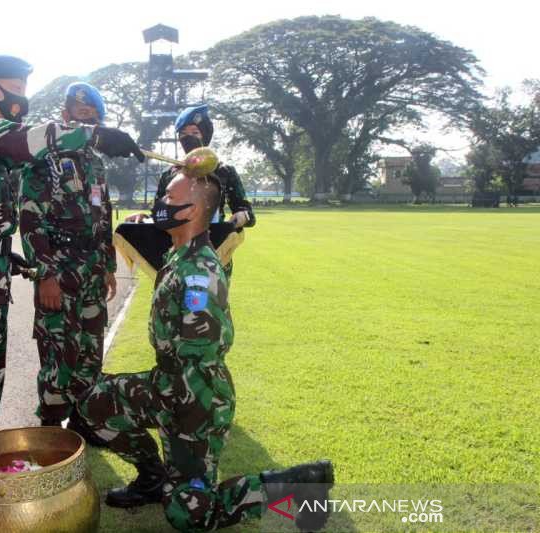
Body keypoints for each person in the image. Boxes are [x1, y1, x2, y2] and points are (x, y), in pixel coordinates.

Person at [0, 55, 144, 533]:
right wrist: (96, 134)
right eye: (11, 85)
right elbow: (23, 145)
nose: (19, 94)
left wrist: (10, 257)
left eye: (23, 86)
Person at [80, 172, 333, 531]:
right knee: (95, 405)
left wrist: (179, 423)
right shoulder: (179, 251)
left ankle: (297, 485)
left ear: (193, 209)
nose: (161, 204)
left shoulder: (199, 271)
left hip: (195, 400)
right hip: (167, 383)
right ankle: (153, 477)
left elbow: (200, 355)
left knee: (189, 516)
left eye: (169, 198)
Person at [19, 82, 115, 444]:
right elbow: (30, 219)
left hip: (91, 271)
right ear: (65, 117)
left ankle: (83, 422)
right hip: (58, 270)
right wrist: (45, 275)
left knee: (90, 351)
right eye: (78, 114)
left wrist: (107, 264)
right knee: (58, 350)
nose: (84, 120)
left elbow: (104, 215)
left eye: (91, 115)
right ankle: (49, 429)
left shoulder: (97, 163)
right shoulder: (47, 158)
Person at [126, 104, 255, 280]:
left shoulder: (224, 171)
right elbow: (160, 213)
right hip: (174, 254)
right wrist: (144, 217)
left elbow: (247, 212)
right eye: (183, 134)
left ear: (205, 135)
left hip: (215, 250)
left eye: (195, 133)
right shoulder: (169, 174)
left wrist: (242, 216)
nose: (188, 138)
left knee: (209, 303)